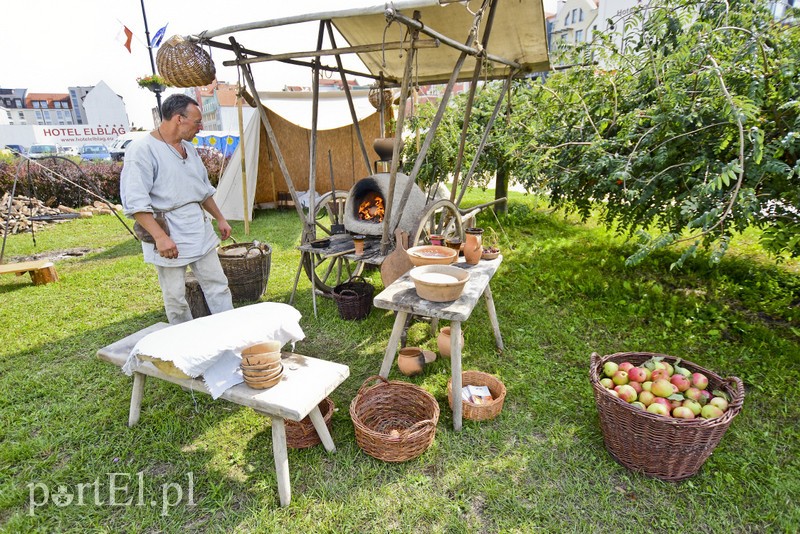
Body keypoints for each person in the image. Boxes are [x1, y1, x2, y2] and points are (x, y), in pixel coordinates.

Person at [120, 94, 233, 324]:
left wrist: (220, 218)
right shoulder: (142, 150)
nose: (200, 128)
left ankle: (230, 333)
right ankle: (184, 343)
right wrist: (160, 237)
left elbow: (202, 190)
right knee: (175, 296)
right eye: (197, 122)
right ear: (178, 119)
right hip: (169, 231)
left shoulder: (189, 150)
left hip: (198, 229)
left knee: (217, 285)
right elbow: (135, 201)